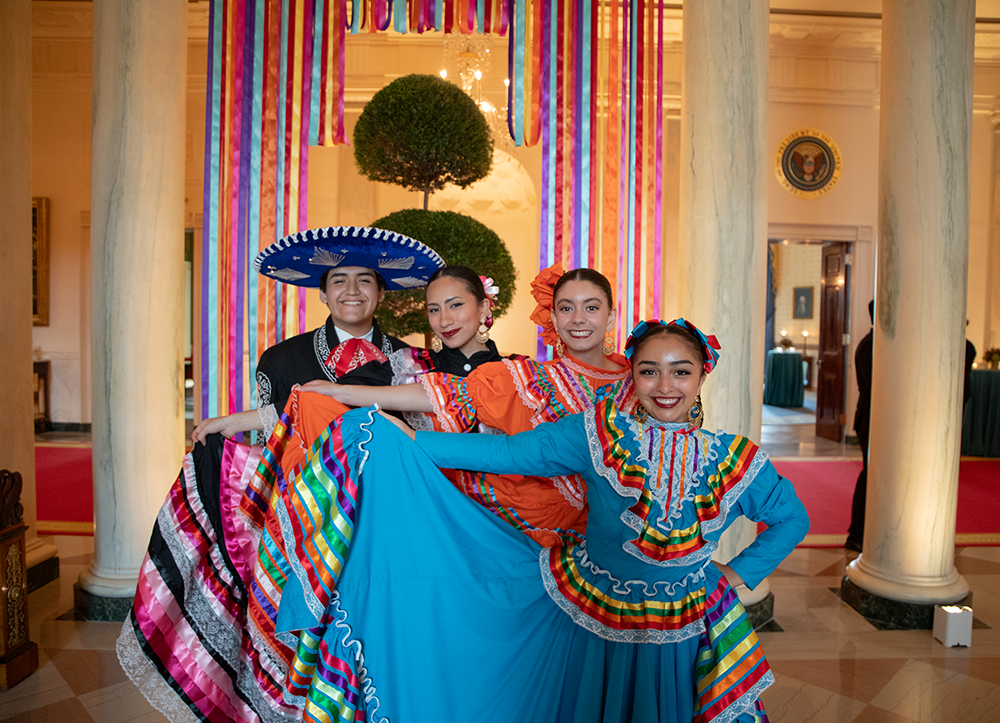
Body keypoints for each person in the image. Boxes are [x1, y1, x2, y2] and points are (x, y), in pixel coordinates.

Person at [250, 317, 808, 722]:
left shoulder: (735, 456)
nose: (665, 386)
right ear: (631, 377)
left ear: (700, 378)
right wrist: (411, 439)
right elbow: (507, 456)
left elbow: (790, 519)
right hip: (595, 609)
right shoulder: (596, 432)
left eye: (680, 372)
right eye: (649, 371)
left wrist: (737, 574)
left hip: (685, 617)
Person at [302, 263, 637, 545]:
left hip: (630, 524)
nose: (578, 318)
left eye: (591, 307)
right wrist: (341, 393)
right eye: (566, 308)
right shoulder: (528, 376)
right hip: (503, 515)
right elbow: (450, 398)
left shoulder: (641, 380)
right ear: (554, 317)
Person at [191, 225, 444, 444]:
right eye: (339, 280)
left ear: (381, 293)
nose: (352, 291)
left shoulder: (415, 362)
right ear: (323, 294)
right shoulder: (280, 360)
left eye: (364, 280)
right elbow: (268, 448)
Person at [846, 300, 874, 553]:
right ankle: (857, 533)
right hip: (871, 420)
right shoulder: (870, 346)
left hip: (875, 420)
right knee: (871, 474)